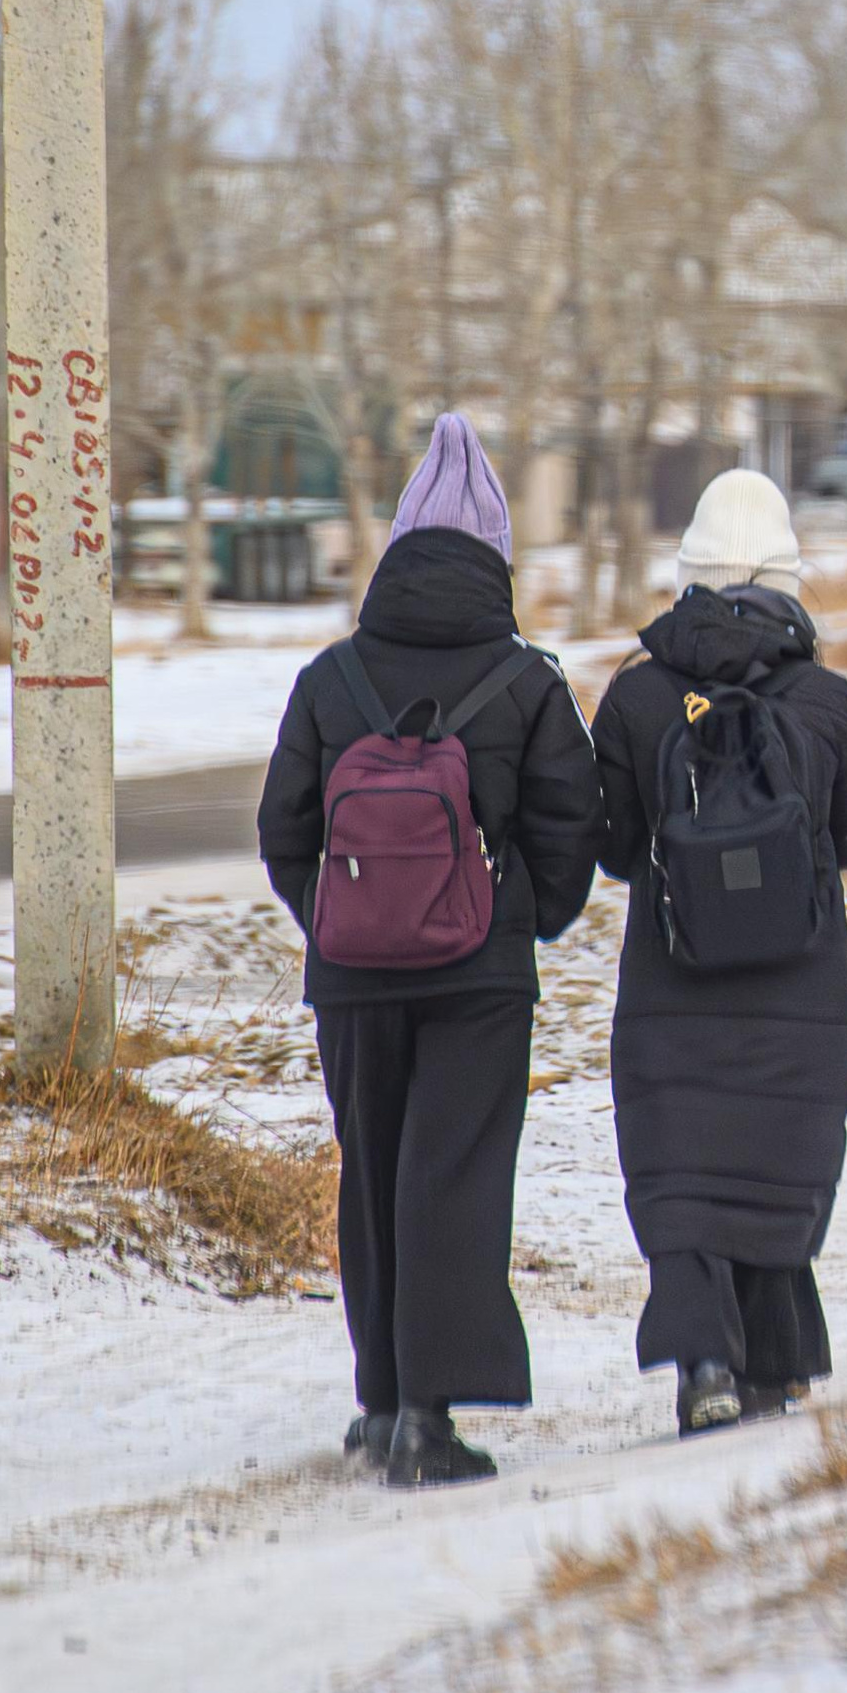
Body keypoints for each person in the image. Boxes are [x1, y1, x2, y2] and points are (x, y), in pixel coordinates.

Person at [256, 412, 602, 1486]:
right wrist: (518, 919)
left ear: (398, 548)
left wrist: (340, 921)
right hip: (477, 976)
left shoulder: (331, 677)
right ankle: (431, 1420)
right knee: (451, 1175)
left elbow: (284, 829)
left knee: (374, 1176)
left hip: (354, 978)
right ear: (495, 560)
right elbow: (569, 826)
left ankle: (381, 1398)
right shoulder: (529, 681)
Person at [590, 470, 847, 1437]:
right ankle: (775, 1361)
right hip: (800, 984)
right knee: (775, 1162)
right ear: (788, 576)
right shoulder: (826, 698)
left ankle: (705, 1365)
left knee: (682, 1173)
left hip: (671, 984)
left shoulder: (638, 699)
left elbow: (610, 844)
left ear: (689, 574)